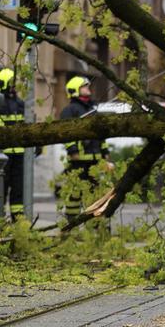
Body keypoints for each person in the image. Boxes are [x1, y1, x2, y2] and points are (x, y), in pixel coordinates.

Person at [59, 76, 110, 220]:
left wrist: (105, 151)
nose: (88, 88)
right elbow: (65, 133)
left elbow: (101, 135)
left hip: (96, 161)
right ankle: (72, 224)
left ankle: (97, 226)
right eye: (84, 86)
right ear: (75, 90)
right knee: (75, 194)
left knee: (97, 194)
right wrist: (73, 150)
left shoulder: (93, 109)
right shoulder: (69, 110)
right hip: (78, 162)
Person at [0, 68, 26, 219]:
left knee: (18, 193)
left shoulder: (21, 104)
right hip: (2, 158)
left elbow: (28, 127)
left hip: (19, 157)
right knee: (0, 191)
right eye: (11, 83)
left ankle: (19, 227)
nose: (14, 86)